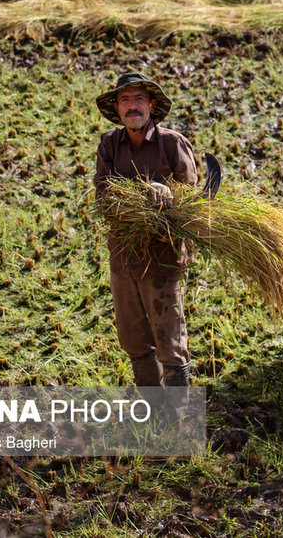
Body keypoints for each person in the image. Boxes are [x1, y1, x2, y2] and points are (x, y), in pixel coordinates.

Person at [94, 72, 196, 396]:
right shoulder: (109, 145)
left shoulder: (172, 143)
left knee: (170, 345)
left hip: (163, 261)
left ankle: (178, 422)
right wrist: (139, 195)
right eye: (125, 100)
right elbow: (102, 195)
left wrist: (167, 191)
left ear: (152, 105)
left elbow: (192, 198)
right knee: (134, 342)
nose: (132, 106)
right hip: (124, 262)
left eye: (139, 99)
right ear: (117, 107)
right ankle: (154, 419)